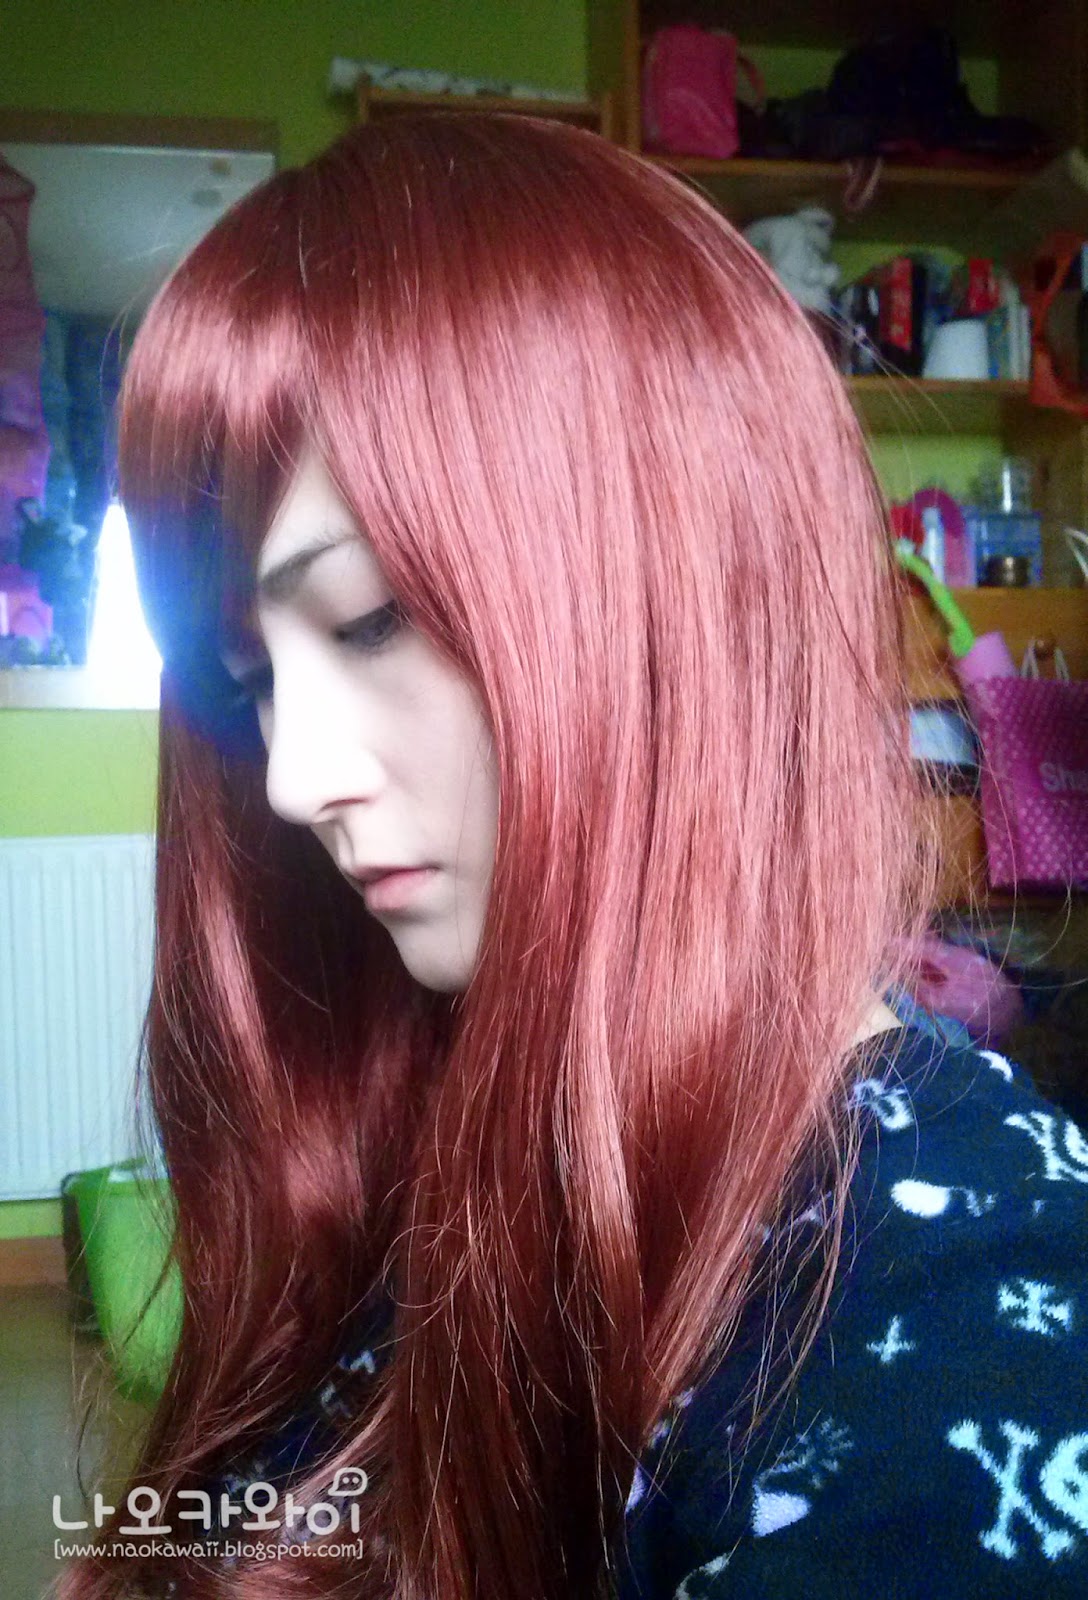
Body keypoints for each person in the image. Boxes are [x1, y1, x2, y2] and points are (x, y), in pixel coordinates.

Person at [57, 114, 1087, 1600]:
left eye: (367, 620)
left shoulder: (976, 1309)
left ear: (671, 572)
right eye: (252, 680)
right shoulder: (424, 1112)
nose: (290, 779)